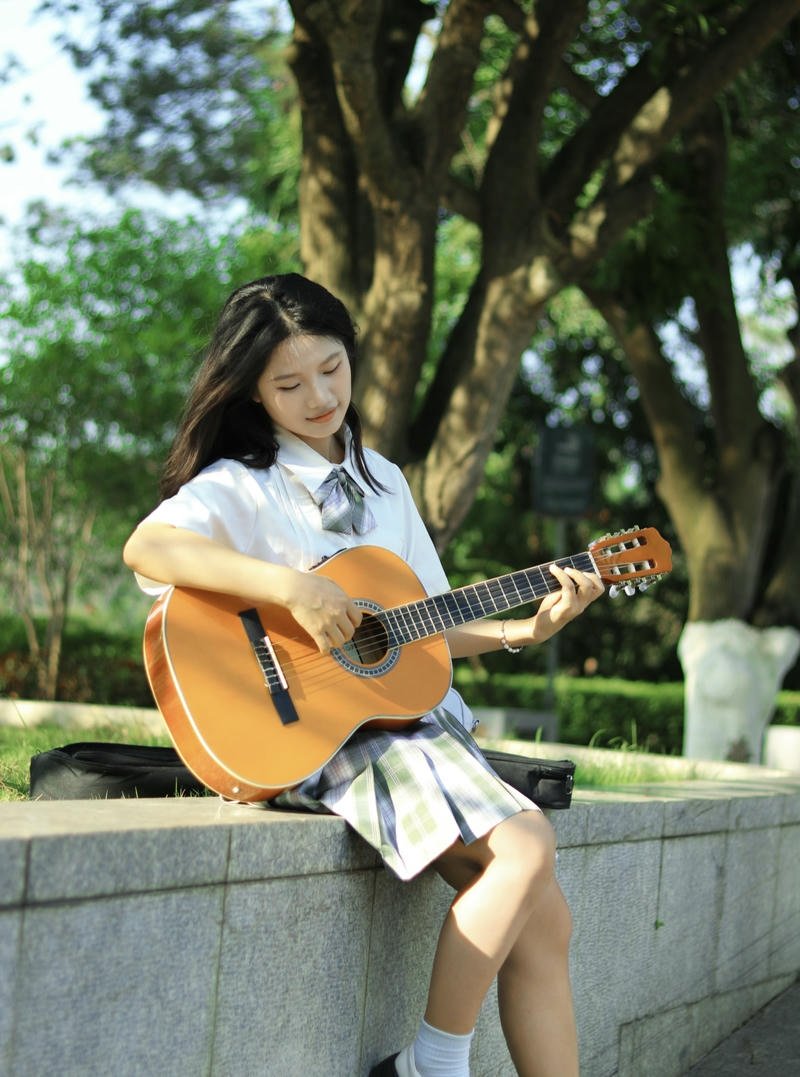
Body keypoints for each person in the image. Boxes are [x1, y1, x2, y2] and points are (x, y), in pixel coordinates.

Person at [123, 273, 604, 1077]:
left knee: (544, 919)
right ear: (253, 391)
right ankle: (429, 1065)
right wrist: (292, 585)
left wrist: (525, 628)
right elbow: (149, 549)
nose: (318, 396)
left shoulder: (384, 480)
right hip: (316, 731)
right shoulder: (243, 483)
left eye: (332, 369)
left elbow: (426, 625)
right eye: (289, 382)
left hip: (406, 727)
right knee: (526, 846)